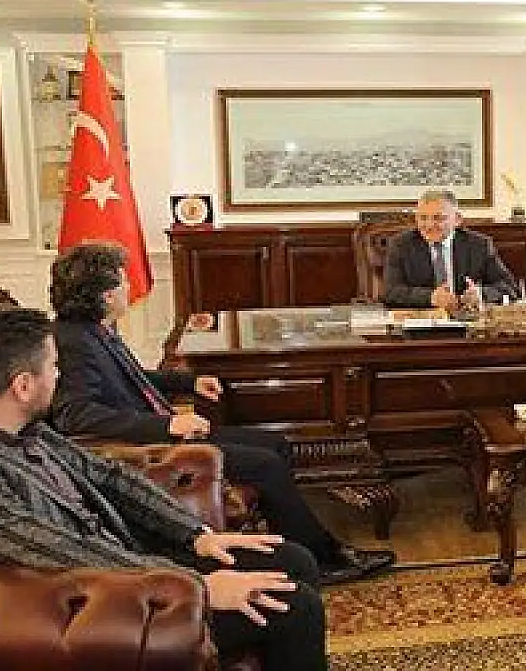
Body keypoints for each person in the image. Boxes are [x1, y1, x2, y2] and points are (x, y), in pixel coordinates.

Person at [0, 304, 329, 670]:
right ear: (22, 386)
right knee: (296, 609)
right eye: (54, 367)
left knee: (293, 559)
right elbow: (52, 550)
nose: (59, 376)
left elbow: (109, 476)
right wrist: (194, 586)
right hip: (79, 599)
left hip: (119, 560)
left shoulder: (20, 427)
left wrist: (196, 535)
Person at [48, 242, 394, 585]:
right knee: (265, 464)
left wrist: (190, 382)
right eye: (123, 280)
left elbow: (135, 378)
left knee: (276, 444)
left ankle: (285, 543)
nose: (129, 287)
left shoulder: (95, 330)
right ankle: (324, 559)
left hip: (162, 431)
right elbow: (75, 415)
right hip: (144, 448)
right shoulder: (75, 342)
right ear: (106, 295)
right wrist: (168, 425)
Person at [382, 188, 519, 311]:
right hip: (423, 321)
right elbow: (391, 292)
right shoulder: (401, 245)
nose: (429, 225)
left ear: (457, 220)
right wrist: (430, 297)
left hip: (468, 320)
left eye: (438, 218)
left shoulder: (479, 245)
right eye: (423, 218)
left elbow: (509, 287)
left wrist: (481, 294)